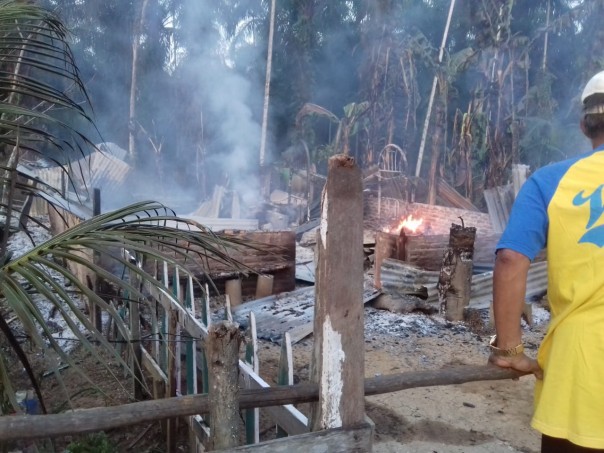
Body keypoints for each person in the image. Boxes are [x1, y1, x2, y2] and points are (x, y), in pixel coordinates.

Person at [489, 70, 604, 453]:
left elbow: (510, 259)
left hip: (579, 373)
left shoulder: (551, 181)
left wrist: (510, 350)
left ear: (585, 125)